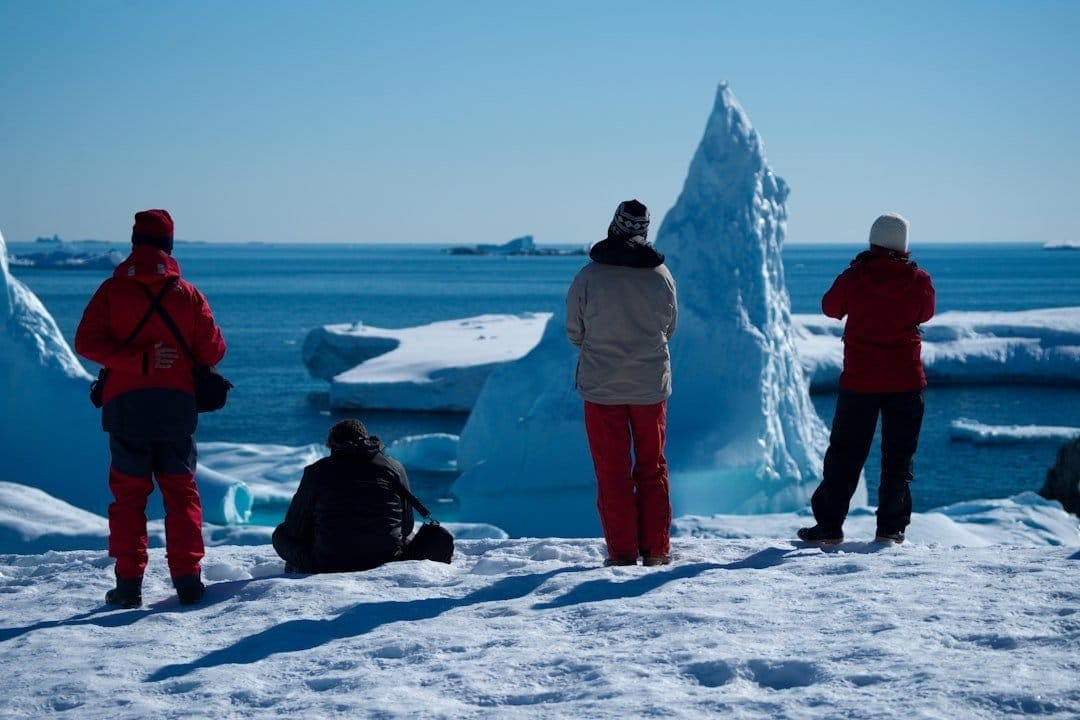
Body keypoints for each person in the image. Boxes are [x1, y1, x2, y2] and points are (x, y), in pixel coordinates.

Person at [75, 209, 227, 607]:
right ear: (169, 245)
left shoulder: (111, 291)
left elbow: (86, 344)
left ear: (134, 242)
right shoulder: (188, 294)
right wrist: (164, 356)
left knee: (128, 498)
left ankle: (128, 586)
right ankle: (188, 580)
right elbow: (214, 350)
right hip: (175, 409)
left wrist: (134, 361)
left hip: (125, 408)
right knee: (181, 494)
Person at [798, 213, 935, 546]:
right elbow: (926, 313)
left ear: (872, 241)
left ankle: (829, 525)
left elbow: (830, 307)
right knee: (898, 456)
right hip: (905, 382)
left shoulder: (856, 277)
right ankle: (891, 527)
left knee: (845, 454)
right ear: (903, 245)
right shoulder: (918, 280)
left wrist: (856, 275)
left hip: (860, 382)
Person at [565, 199, 678, 567]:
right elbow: (669, 327)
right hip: (650, 388)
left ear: (614, 226)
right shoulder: (661, 276)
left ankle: (622, 553)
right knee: (652, 467)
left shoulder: (589, 276)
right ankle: (657, 550)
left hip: (602, 388)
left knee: (612, 471)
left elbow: (574, 331)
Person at [272, 419, 415, 573]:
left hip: (328, 562)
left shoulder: (317, 471)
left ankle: (296, 571)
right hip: (386, 558)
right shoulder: (394, 468)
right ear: (367, 440)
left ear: (332, 445)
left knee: (280, 535)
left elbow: (295, 527)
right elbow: (407, 525)